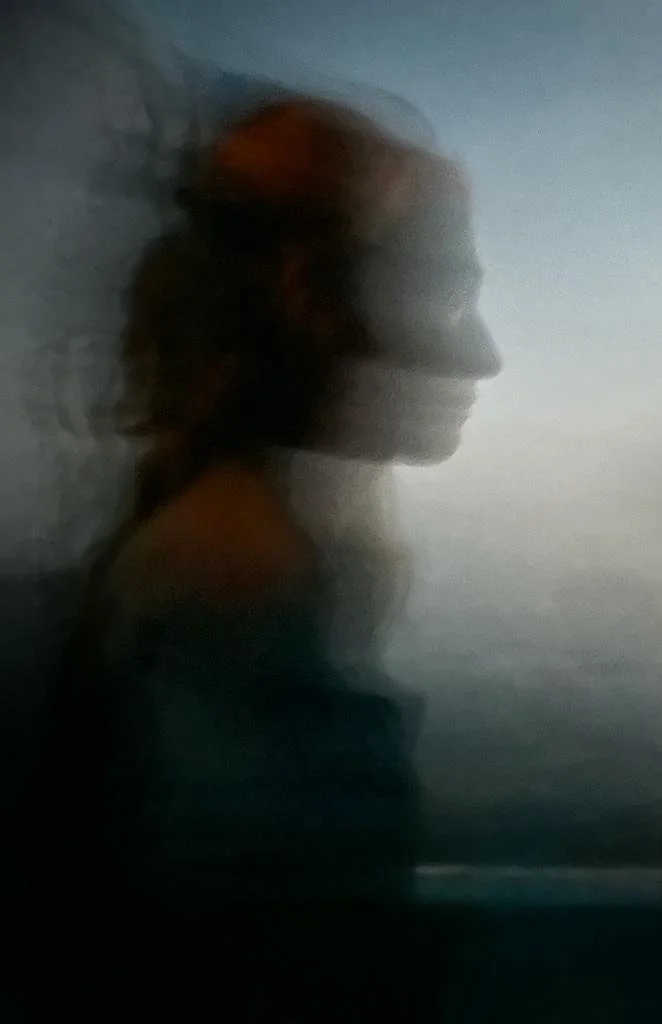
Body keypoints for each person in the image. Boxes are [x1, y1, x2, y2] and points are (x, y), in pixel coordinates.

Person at [32, 94, 501, 1019]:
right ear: (310, 298)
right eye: (442, 294)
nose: (479, 355)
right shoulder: (230, 587)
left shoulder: (234, 557)